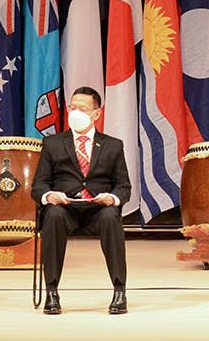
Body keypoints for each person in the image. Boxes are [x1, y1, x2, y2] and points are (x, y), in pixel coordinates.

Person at [31, 87, 131, 315]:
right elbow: (39, 185)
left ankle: (119, 290)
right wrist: (49, 196)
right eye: (72, 107)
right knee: (53, 215)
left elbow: (123, 186)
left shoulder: (113, 145)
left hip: (98, 209)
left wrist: (112, 198)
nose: (76, 113)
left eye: (83, 109)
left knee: (111, 218)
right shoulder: (53, 143)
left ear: (96, 113)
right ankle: (52, 291)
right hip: (66, 208)